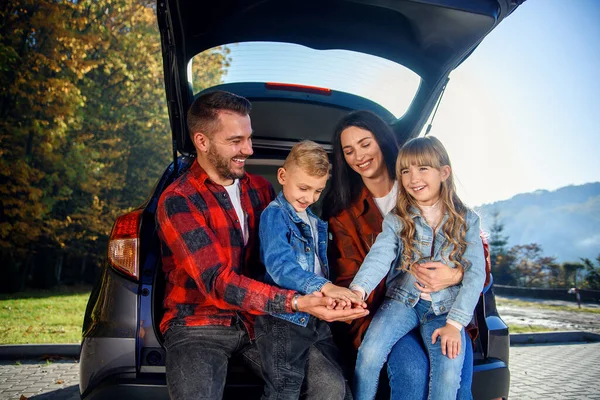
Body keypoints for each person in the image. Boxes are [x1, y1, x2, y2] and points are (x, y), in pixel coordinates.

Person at [156, 91, 368, 400]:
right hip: (198, 324)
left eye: (249, 138)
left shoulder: (260, 189)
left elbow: (285, 255)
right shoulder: (179, 199)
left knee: (330, 388)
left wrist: (327, 294)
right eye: (236, 141)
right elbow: (218, 282)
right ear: (202, 141)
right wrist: (297, 302)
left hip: (261, 323)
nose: (249, 149)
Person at [322, 110, 476, 400]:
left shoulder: (424, 188)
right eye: (349, 150)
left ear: (382, 141)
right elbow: (350, 277)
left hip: (444, 308)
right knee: (412, 373)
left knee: (457, 384)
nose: (359, 155)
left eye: (365, 143)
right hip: (387, 311)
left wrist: (455, 274)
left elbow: (478, 261)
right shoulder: (344, 216)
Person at [255, 140, 366, 399]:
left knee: (338, 386)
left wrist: (336, 297)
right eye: (303, 188)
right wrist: (324, 287)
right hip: (283, 320)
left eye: (318, 191)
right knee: (284, 390)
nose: (309, 197)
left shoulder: (315, 221)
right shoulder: (275, 215)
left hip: (316, 318)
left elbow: (319, 267)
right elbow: (280, 268)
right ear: (282, 176)